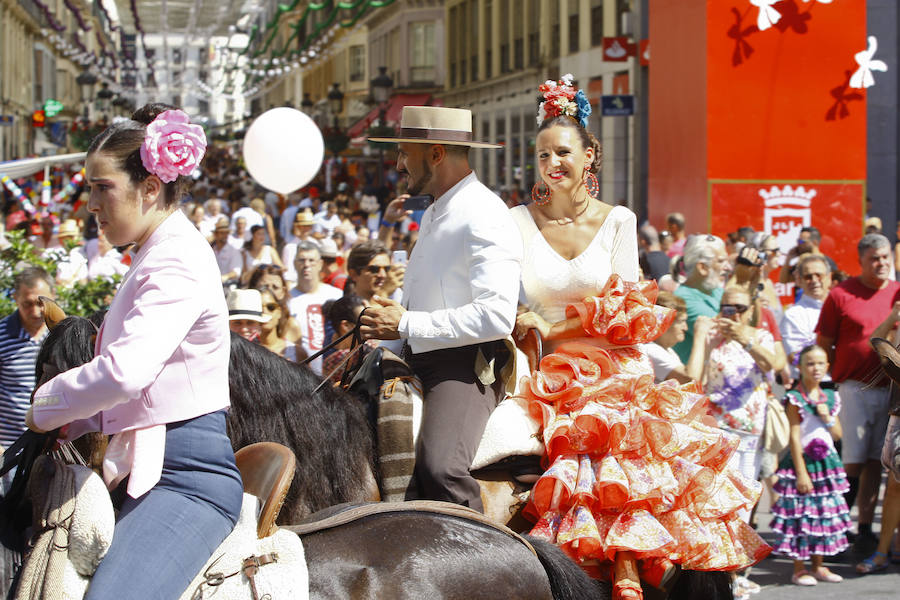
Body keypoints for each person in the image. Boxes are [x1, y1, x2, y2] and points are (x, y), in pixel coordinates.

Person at [502, 76, 768, 600]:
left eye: (563, 152)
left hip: (616, 366)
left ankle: (631, 566)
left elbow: (629, 303)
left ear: (589, 156)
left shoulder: (619, 220)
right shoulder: (514, 221)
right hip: (544, 371)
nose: (552, 164)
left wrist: (553, 324)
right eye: (542, 155)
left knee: (616, 431)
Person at [26, 104, 242, 600]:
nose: (90, 204)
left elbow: (125, 374)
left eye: (103, 188)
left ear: (149, 188)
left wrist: (45, 406)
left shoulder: (175, 257)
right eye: (88, 188)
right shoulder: (157, 250)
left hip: (187, 478)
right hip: (145, 465)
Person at [360, 105, 522, 514]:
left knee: (442, 467)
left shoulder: (484, 213)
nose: (398, 164)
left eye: (403, 153)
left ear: (435, 154)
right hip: (419, 355)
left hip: (465, 365)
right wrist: (385, 332)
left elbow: (496, 317)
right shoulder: (434, 209)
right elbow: (424, 300)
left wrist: (406, 321)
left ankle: (485, 566)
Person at [816, 233, 900, 552]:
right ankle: (835, 529)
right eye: (874, 259)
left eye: (885, 258)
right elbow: (823, 345)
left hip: (890, 391)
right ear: (861, 260)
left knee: (878, 463)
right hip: (853, 388)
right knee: (852, 462)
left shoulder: (897, 291)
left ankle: (864, 527)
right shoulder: (841, 294)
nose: (881, 264)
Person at [770, 345, 849, 586]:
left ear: (828, 366)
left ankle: (819, 565)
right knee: (801, 513)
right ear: (800, 367)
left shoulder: (831, 396)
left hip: (827, 463)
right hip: (801, 462)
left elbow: (837, 434)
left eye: (820, 363)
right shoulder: (794, 397)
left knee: (823, 512)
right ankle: (799, 568)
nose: (816, 368)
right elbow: (794, 435)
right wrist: (801, 472)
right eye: (810, 364)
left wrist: (827, 417)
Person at [855, 303, 900, 574]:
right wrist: (894, 315)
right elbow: (876, 342)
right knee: (894, 488)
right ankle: (883, 551)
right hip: (898, 413)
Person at [0, 268, 54, 449]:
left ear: (53, 295)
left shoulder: (62, 335)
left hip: (51, 447)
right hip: (8, 448)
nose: (36, 311)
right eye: (27, 304)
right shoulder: (2, 335)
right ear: (15, 298)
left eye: (41, 303)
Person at [672, 234, 731, 362]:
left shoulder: (716, 291)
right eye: (721, 261)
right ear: (702, 268)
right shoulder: (682, 299)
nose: (728, 268)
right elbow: (725, 334)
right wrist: (741, 280)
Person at [287, 241, 342, 375]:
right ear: (294, 264)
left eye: (311, 260)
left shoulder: (336, 295)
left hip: (333, 370)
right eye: (302, 260)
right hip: (300, 372)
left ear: (320, 264)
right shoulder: (287, 299)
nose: (306, 265)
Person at [644, 291, 711, 384]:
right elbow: (690, 379)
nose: (685, 328)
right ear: (664, 324)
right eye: (681, 321)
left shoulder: (668, 351)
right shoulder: (651, 350)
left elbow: (699, 384)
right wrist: (700, 335)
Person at [781, 254, 832, 367]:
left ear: (829, 277)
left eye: (819, 275)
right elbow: (793, 356)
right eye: (808, 277)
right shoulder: (793, 315)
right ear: (799, 280)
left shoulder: (844, 307)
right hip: (816, 382)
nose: (814, 280)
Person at [256, 286, 297, 361]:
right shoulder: (244, 349)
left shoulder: (297, 352)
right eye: (258, 307)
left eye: (271, 307)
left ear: (279, 312)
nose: (264, 311)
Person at [211, 216, 242, 284]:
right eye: (222, 233)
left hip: (228, 285)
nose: (225, 235)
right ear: (216, 234)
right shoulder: (211, 250)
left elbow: (236, 272)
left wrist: (226, 277)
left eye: (226, 233)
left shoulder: (233, 251)